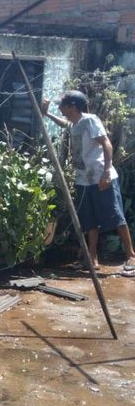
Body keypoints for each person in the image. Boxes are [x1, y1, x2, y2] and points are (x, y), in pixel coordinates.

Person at [42, 90, 135, 271]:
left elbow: (106, 143)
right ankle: (92, 259)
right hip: (84, 179)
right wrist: (47, 114)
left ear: (72, 107)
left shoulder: (90, 120)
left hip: (101, 176)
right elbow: (65, 125)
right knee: (89, 220)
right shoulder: (75, 123)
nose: (59, 107)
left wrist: (107, 172)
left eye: (62, 105)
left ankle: (131, 255)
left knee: (116, 216)